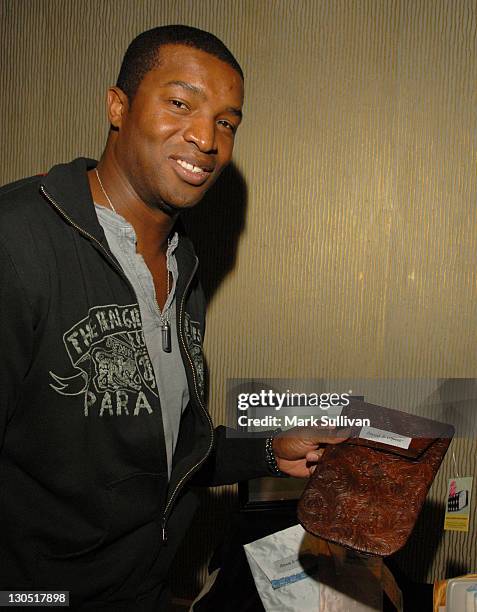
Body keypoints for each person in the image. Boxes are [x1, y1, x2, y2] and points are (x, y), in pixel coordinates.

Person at [0, 25, 345, 610]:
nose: (205, 137)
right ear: (118, 105)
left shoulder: (183, 263)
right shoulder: (19, 240)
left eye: (227, 122)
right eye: (180, 103)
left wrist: (269, 451)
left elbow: (160, 448)